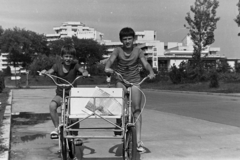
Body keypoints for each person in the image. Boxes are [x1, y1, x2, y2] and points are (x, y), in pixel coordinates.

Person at [104, 27, 155, 152]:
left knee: (137, 110)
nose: (127, 41)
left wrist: (151, 71)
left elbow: (145, 63)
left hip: (134, 81)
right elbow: (110, 60)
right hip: (121, 80)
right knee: (118, 103)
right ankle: (118, 122)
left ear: (134, 39)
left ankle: (138, 142)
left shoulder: (138, 51)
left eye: (130, 39)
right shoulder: (118, 50)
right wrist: (107, 68)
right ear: (121, 40)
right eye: (125, 39)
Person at [40, 44, 88, 139]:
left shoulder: (75, 65)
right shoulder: (57, 66)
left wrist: (84, 72)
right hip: (60, 94)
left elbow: (82, 70)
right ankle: (57, 128)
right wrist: (45, 73)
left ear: (73, 57)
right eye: (66, 56)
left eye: (70, 56)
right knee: (52, 106)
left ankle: (75, 136)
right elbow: (50, 71)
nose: (68, 59)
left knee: (74, 117)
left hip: (72, 95)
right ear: (62, 57)